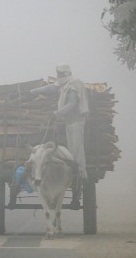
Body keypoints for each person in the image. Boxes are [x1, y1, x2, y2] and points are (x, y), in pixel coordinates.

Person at [29, 64, 89, 208]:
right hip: (68, 122)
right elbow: (51, 88)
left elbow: (72, 104)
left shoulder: (74, 84)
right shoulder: (64, 84)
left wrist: (56, 114)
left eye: (60, 75)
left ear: (63, 74)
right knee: (70, 147)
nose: (59, 77)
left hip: (76, 122)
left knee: (75, 150)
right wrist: (32, 91)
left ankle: (79, 173)